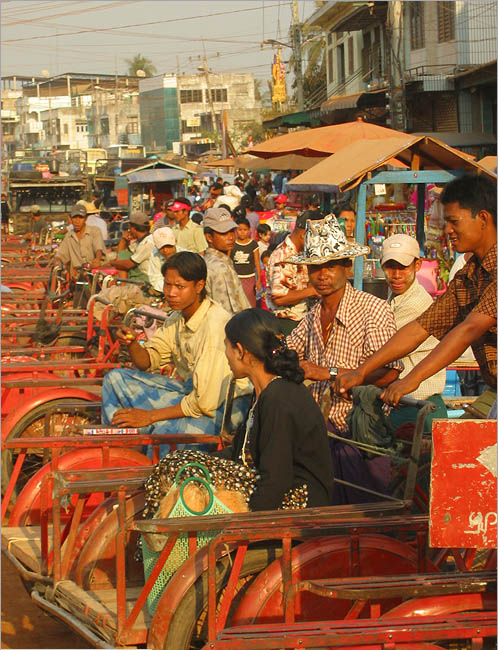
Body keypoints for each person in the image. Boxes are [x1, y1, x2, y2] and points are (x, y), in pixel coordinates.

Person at [335, 174, 497, 417]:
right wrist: (362, 370)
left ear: (483, 218)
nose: (448, 231)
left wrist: (411, 380)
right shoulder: (468, 276)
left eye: (454, 222)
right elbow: (422, 327)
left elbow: (469, 329)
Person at [285, 214, 402, 504]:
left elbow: (389, 374)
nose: (322, 275)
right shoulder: (312, 315)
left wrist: (329, 372)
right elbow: (290, 351)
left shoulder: (372, 310)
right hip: (317, 433)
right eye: (315, 268)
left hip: (355, 436)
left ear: (346, 267)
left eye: (330, 266)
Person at [102, 251, 251, 456]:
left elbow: (204, 403)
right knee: (115, 379)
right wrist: (132, 344)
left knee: (166, 433)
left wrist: (151, 416)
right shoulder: (177, 317)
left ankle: (151, 466)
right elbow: (147, 361)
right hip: (192, 392)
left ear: (199, 286)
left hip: (225, 406)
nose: (171, 293)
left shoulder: (215, 326)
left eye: (179, 287)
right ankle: (120, 449)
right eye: (167, 285)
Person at [217, 308, 334, 511]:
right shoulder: (266, 392)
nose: (226, 355)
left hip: (297, 504)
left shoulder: (279, 398)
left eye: (226, 347)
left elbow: (276, 479)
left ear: (240, 350)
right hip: (277, 493)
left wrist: (244, 526)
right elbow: (238, 454)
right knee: (183, 465)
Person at [380, 234, 447, 432]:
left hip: (417, 404)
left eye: (403, 267)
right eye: (390, 267)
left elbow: (383, 348)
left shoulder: (416, 302)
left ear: (417, 266)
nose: (396, 274)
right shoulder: (395, 296)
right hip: (403, 400)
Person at [266, 211, 319, 335]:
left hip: (300, 320)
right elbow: (279, 298)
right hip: (287, 323)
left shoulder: (299, 252)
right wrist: (312, 291)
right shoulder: (283, 256)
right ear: (304, 235)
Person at [203, 207, 251, 315]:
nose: (231, 237)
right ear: (209, 237)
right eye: (224, 233)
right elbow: (227, 310)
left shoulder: (220, 260)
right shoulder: (218, 266)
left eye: (232, 232)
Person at [103, 211, 154, 283]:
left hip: (147, 279)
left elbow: (128, 264)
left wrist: (112, 263)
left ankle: (123, 287)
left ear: (133, 228)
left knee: (121, 266)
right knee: (123, 258)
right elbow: (121, 254)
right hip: (141, 276)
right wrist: (123, 239)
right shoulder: (139, 242)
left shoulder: (148, 242)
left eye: (129, 227)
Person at [55, 203, 106, 272]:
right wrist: (58, 261)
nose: (77, 221)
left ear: (85, 218)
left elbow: (98, 248)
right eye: (74, 218)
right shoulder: (69, 236)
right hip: (78, 273)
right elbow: (61, 255)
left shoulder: (95, 231)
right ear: (71, 219)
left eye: (80, 217)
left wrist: (97, 259)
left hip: (93, 271)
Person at [231, 218, 261, 307]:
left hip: (250, 278)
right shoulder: (232, 244)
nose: (242, 232)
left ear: (249, 230)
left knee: (250, 302)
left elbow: (257, 262)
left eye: (245, 230)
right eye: (240, 230)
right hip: (236, 278)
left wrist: (258, 279)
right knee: (237, 303)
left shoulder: (253, 244)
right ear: (236, 230)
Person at [148, 226, 178, 294]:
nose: (165, 250)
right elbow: (155, 279)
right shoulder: (155, 255)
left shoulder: (185, 255)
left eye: (168, 246)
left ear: (175, 242)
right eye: (161, 247)